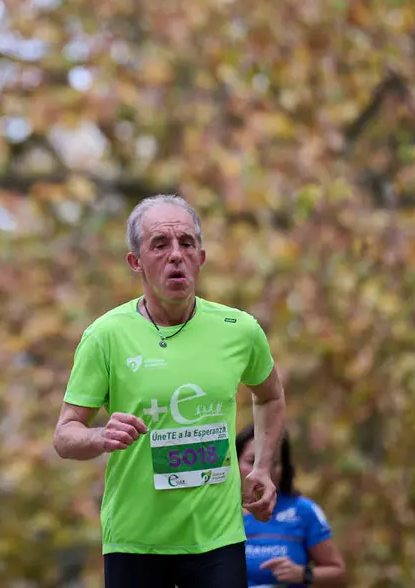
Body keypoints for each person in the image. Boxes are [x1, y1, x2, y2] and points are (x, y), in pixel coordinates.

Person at [52, 194, 287, 588]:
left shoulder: (239, 330)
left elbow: (270, 396)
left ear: (201, 257)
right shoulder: (105, 336)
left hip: (217, 538)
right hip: (135, 542)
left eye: (186, 243)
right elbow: (64, 435)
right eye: (160, 244)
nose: (176, 255)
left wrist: (262, 466)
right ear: (136, 262)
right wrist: (100, 436)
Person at [237, 426, 346, 587]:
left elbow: (339, 574)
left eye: (273, 464)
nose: (262, 472)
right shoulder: (219, 512)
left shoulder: (304, 511)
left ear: (284, 468)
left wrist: (302, 574)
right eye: (251, 462)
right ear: (234, 463)